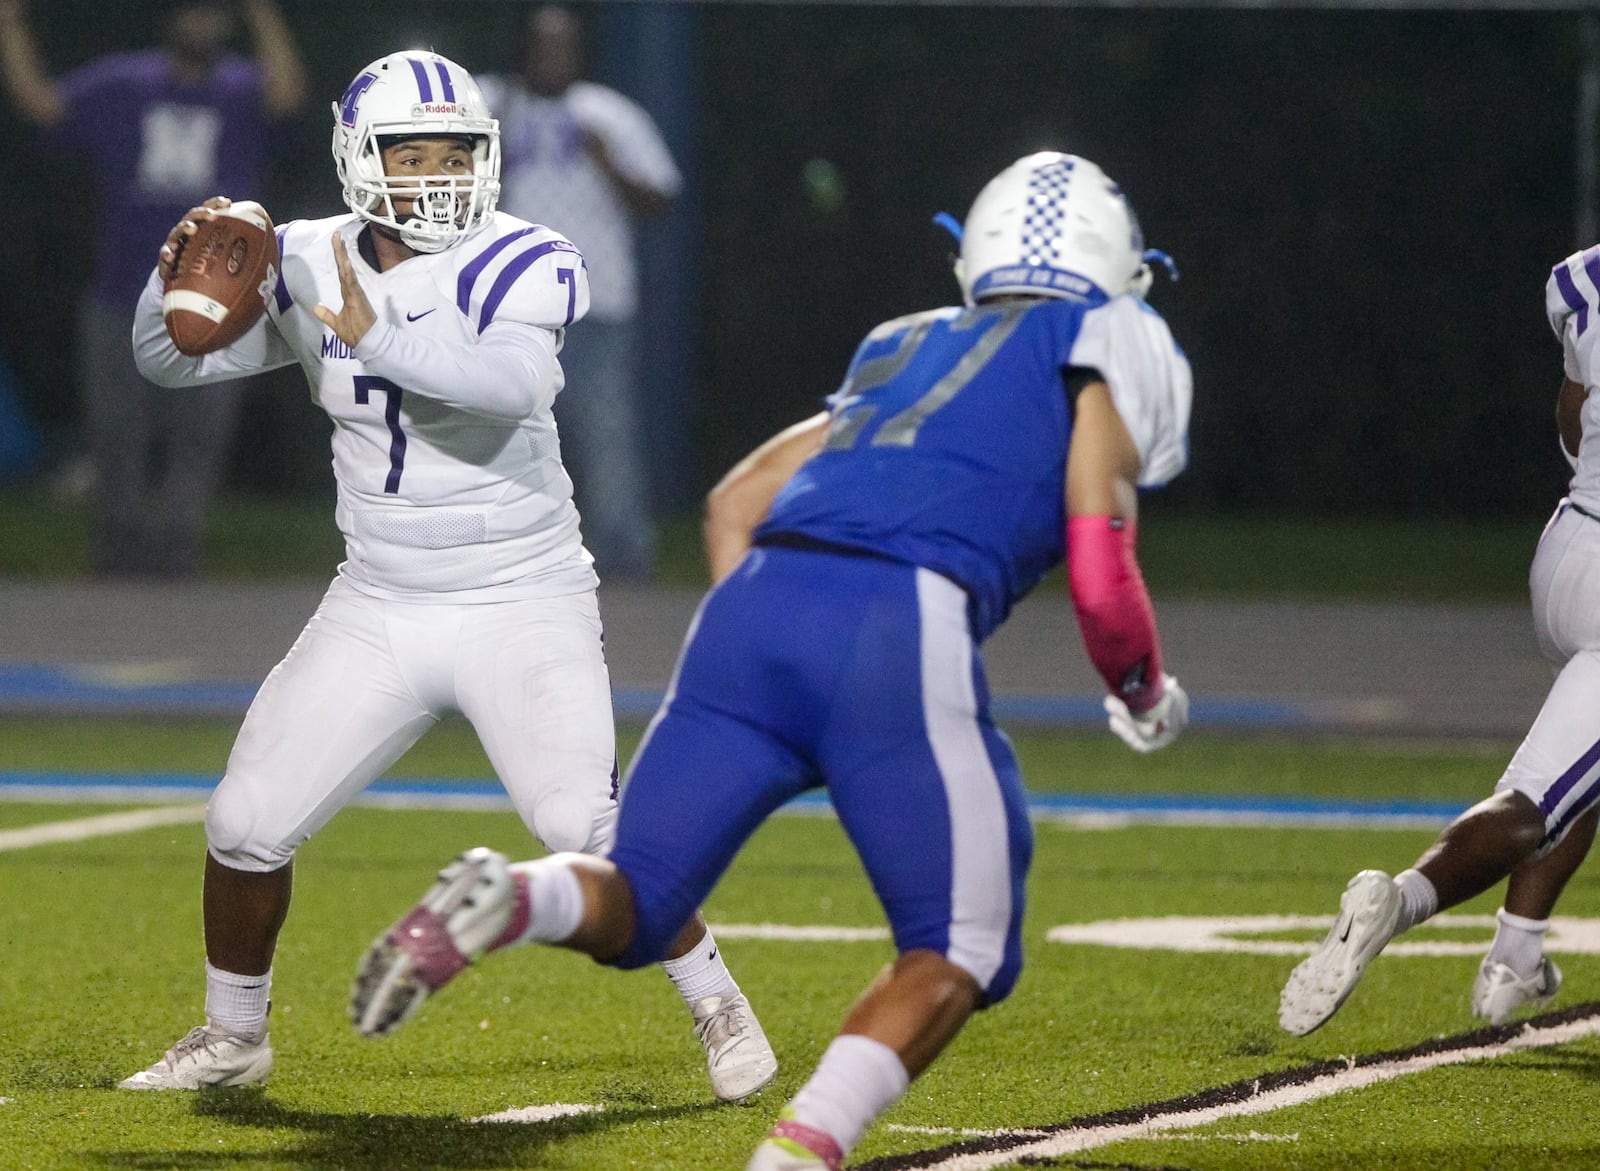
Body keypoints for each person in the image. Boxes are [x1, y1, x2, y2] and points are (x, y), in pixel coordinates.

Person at [347, 151, 1194, 1169]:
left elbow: (734, 502)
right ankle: (797, 1152)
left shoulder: (902, 344)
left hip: (749, 618)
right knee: (960, 946)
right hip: (895, 622)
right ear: (1117, 261)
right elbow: (1102, 571)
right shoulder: (1108, 338)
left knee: (640, 901)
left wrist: (768, 671)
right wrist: (1143, 691)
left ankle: (512, 894)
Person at [118, 49, 775, 1103]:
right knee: (243, 823)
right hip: (378, 600)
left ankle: (716, 998)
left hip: (521, 594)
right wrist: (175, 284)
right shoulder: (302, 253)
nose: (433, 176)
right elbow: (174, 358)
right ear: (358, 157)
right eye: (408, 155)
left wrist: (371, 330)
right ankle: (233, 1034)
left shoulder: (528, 254)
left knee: (580, 827)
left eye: (454, 153)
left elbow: (508, 387)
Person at [1278, 245, 1600, 1037]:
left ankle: (1515, 956)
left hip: (1567, 550)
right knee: (1533, 806)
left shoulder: (1583, 276)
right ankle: (1398, 901)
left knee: (1582, 765)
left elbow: (1573, 408)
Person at [0, 0, 307, 578]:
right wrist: (10, 25)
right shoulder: (126, 83)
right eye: (194, 14)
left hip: (221, 296)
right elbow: (43, 106)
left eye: (214, 15)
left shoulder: (243, 88)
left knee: (200, 435)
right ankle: (116, 554)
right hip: (123, 290)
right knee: (118, 431)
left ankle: (176, 552)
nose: (202, 24)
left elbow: (288, 97)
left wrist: (264, 14)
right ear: (172, 20)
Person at [476, 5, 683, 581]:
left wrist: (609, 163)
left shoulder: (609, 114)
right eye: (541, 45)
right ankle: (500, 554)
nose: (551, 56)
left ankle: (624, 560)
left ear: (579, 53)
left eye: (562, 45)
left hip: (596, 300)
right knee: (501, 432)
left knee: (605, 437)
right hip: (505, 304)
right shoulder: (492, 105)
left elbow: (663, 199)